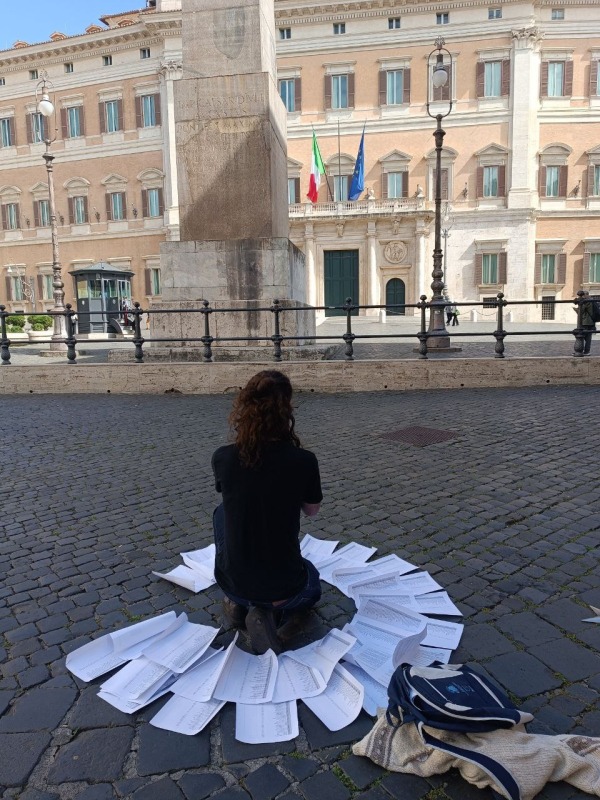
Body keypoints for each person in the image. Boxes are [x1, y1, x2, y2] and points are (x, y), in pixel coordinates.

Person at [211, 370, 323, 655]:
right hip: (284, 585)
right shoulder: (303, 461)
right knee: (312, 580)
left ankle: (239, 603)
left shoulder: (223, 457)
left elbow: (235, 498)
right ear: (286, 410)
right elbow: (312, 511)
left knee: (221, 513)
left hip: (234, 581)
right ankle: (282, 624)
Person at [575, 291, 596, 355]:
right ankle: (586, 351)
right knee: (588, 337)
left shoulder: (587, 302)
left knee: (582, 336)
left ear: (586, 295)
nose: (582, 296)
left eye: (583, 295)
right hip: (590, 322)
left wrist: (576, 309)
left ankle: (583, 351)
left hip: (585, 322)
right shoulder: (591, 301)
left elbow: (581, 311)